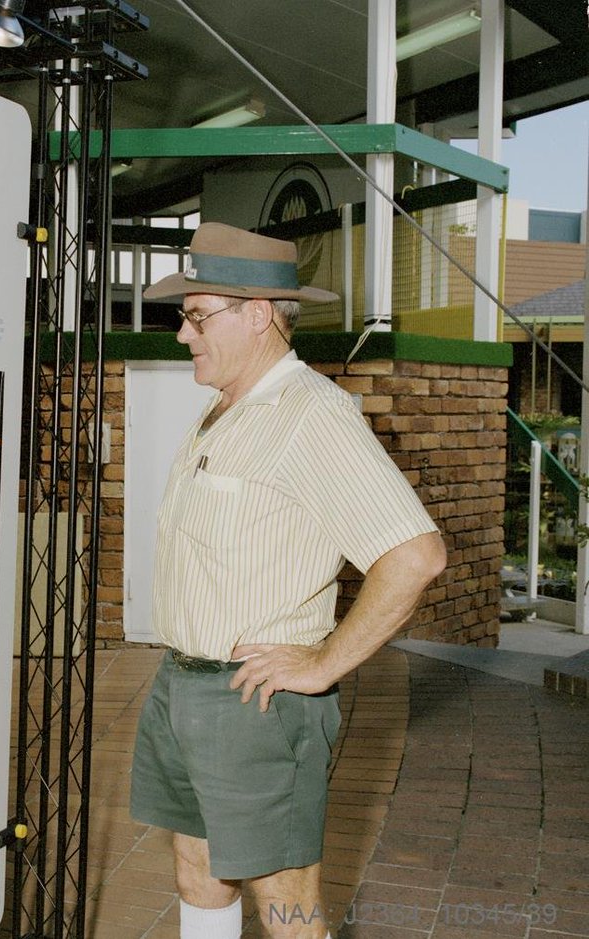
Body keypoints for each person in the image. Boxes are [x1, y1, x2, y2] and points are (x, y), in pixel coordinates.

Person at [129, 223, 447, 939]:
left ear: (259, 314)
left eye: (196, 314)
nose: (184, 334)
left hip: (255, 703)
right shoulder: (225, 410)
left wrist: (326, 660)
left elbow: (416, 554)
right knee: (198, 869)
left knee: (289, 904)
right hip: (184, 685)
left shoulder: (313, 416)